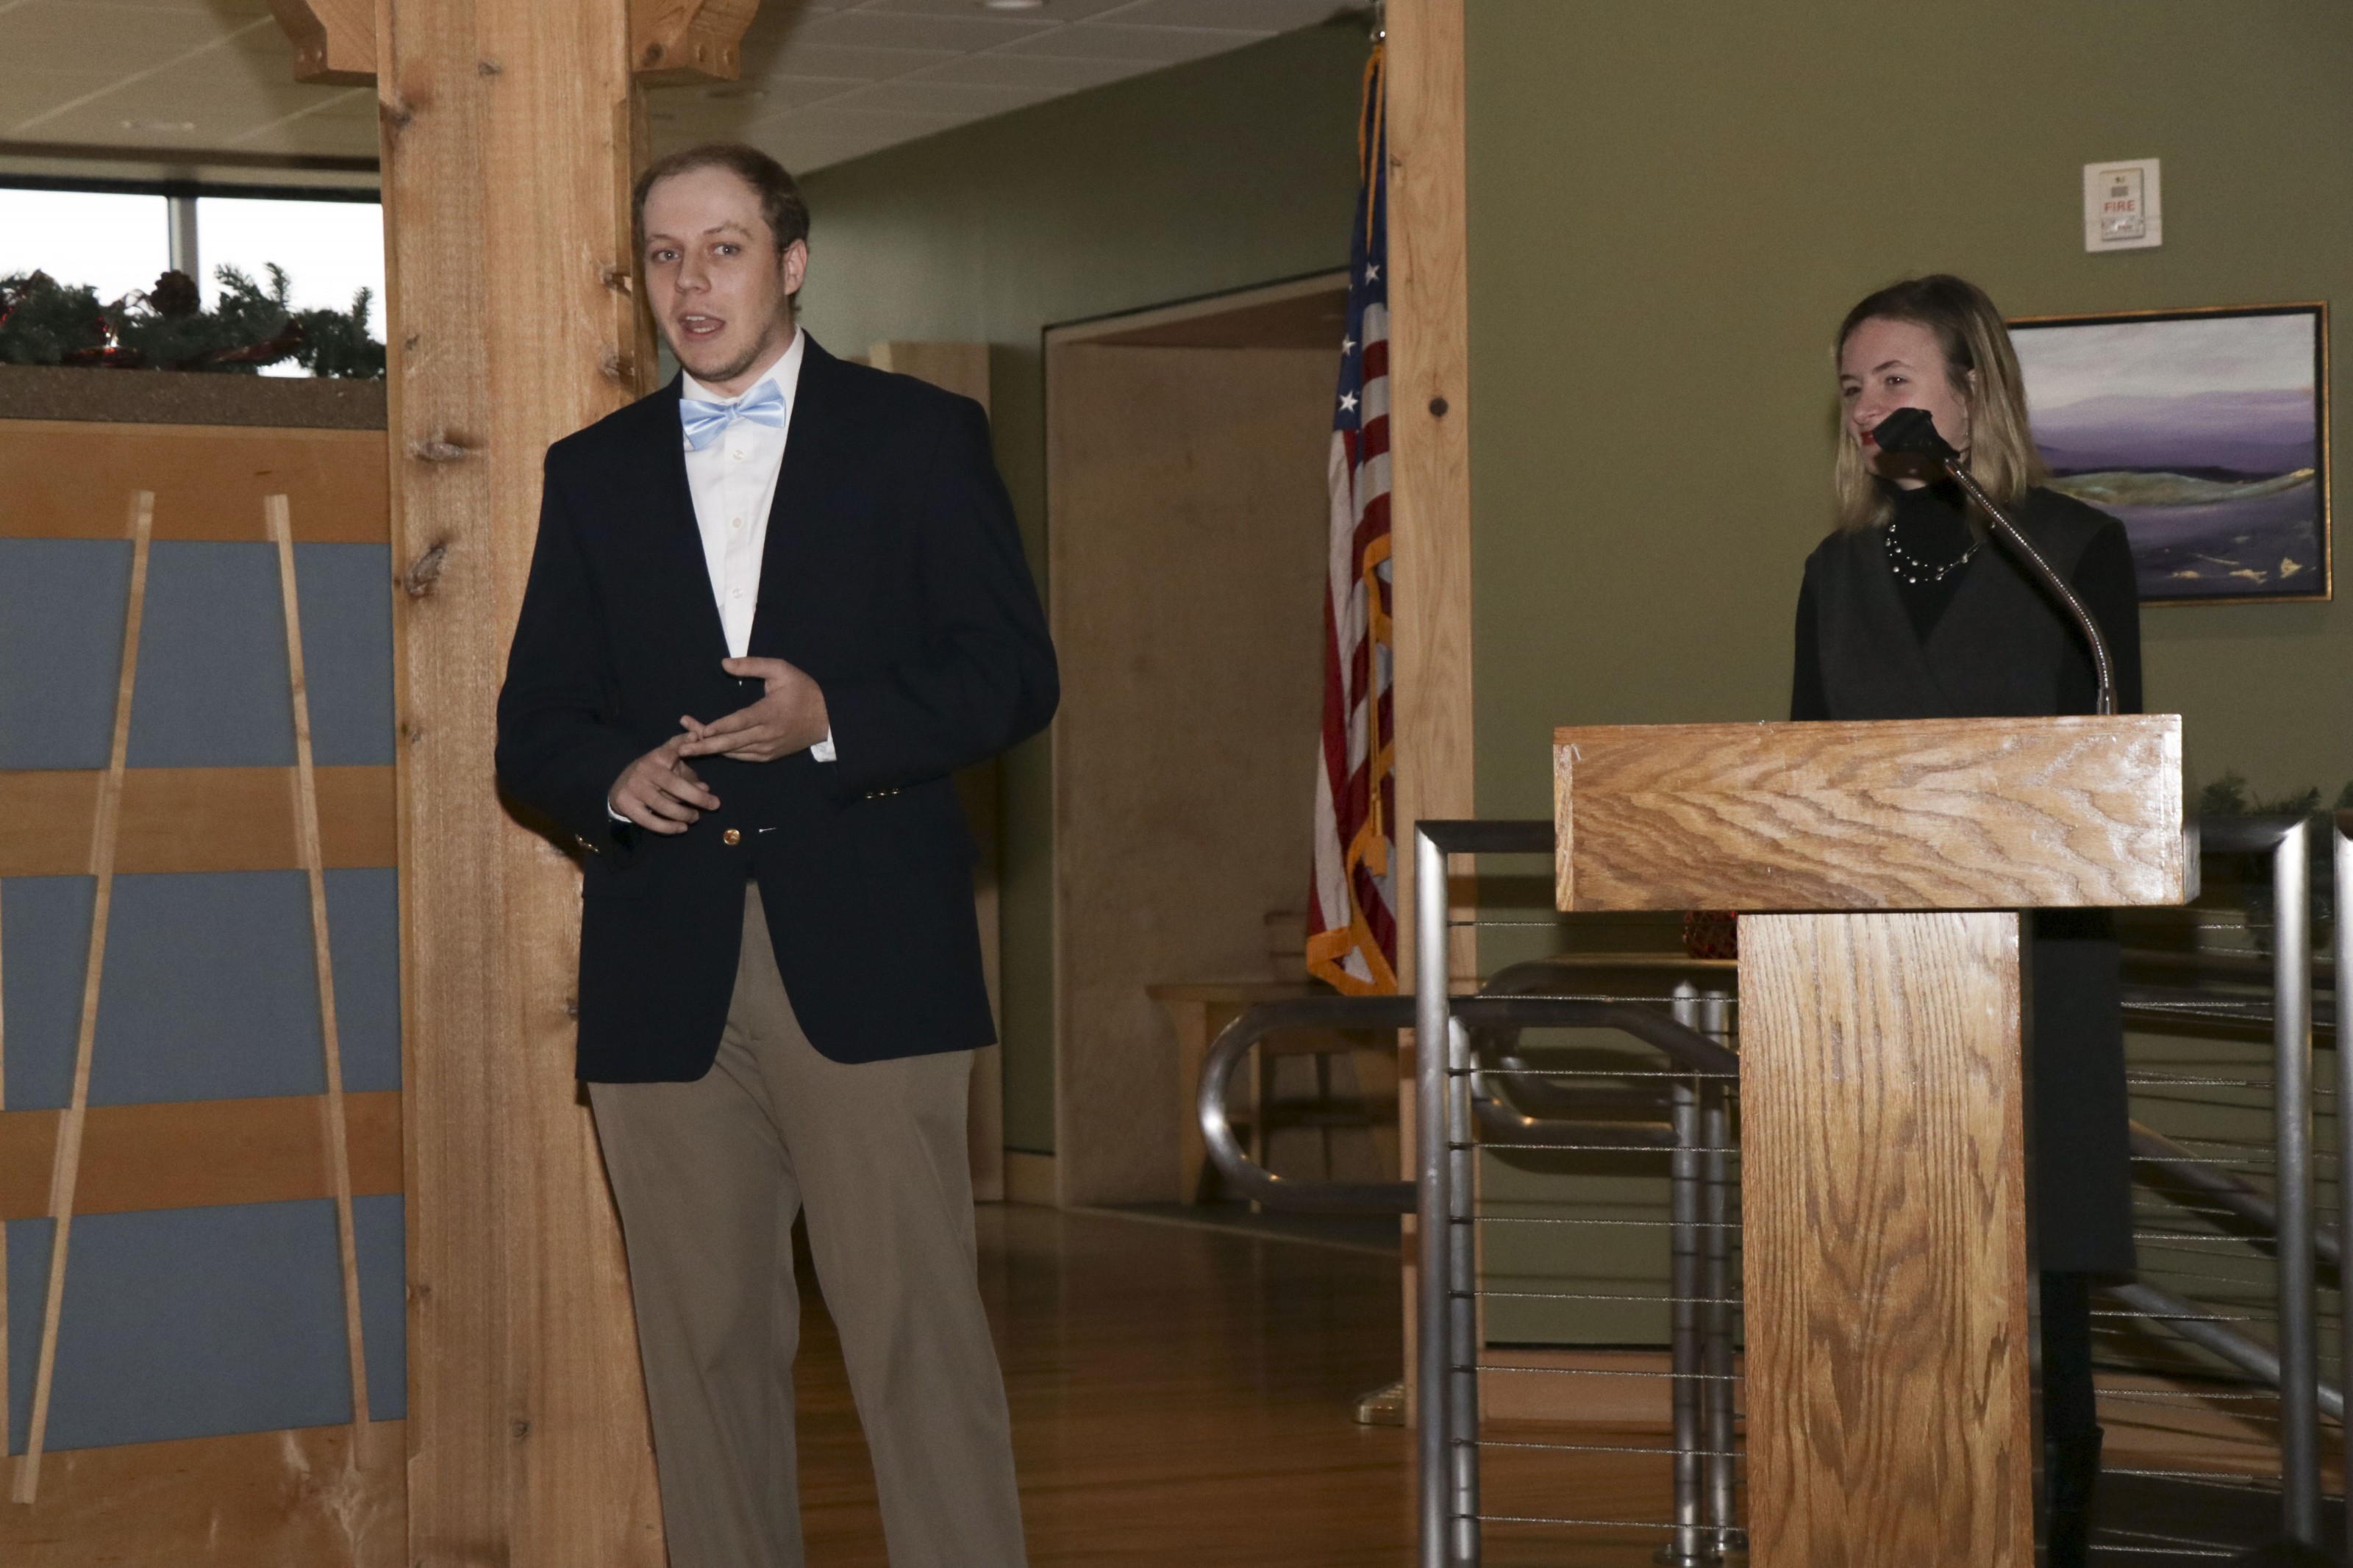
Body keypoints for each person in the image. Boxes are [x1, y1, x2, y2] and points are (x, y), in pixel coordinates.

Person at [495, 141, 1056, 1568]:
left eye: (724, 249)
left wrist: (832, 719)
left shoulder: (919, 437)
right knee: (702, 1360)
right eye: (667, 257)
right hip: (658, 971)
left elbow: (1011, 674)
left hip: (871, 952)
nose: (693, 283)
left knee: (915, 1344)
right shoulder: (592, 472)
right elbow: (532, 726)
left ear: (791, 261)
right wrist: (608, 779)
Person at [1789, 273, 2140, 1567]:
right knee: (1883, 1287)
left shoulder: (2072, 548)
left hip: (2031, 976)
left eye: (1898, 380)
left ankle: (2052, 1531)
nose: (1875, 408)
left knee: (2034, 1294)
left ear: (1971, 390)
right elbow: (1803, 784)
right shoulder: (1832, 575)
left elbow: (2111, 775)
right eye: (1854, 389)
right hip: (1872, 990)